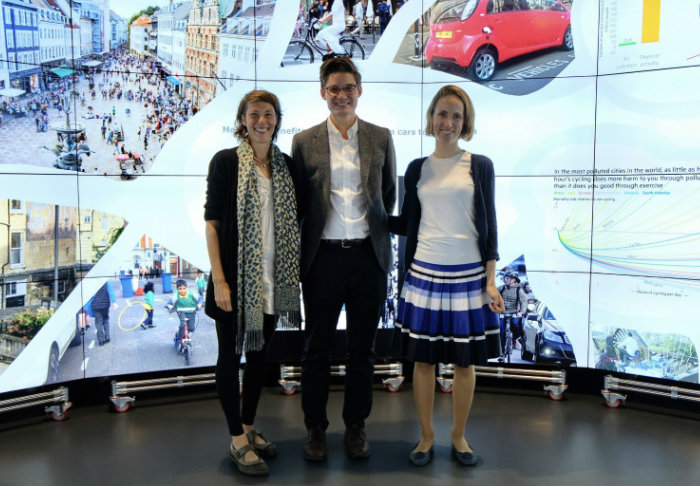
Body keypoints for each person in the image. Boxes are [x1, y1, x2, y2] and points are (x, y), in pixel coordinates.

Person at [389, 85, 504, 467]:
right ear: (432, 117)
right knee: (423, 363)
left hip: (468, 277)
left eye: (456, 115)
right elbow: (407, 223)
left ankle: (458, 436)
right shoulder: (417, 168)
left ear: (465, 121)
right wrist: (364, 211)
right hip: (423, 275)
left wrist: (490, 280)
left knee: (464, 364)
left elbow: (490, 227)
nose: (448, 122)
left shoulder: (480, 165)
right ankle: (426, 437)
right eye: (442, 113)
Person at [291, 56, 396, 461]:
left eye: (348, 87)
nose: (341, 95)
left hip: (369, 257)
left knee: (362, 351)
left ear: (359, 90)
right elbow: (301, 204)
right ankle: (315, 429)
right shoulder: (304, 142)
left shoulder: (381, 137)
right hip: (323, 259)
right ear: (323, 93)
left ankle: (356, 426)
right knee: (315, 349)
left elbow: (388, 196)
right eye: (334, 88)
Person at [204, 90, 300, 477]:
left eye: (269, 114)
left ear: (277, 119)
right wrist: (220, 280)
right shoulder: (226, 162)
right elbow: (212, 224)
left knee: (259, 359)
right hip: (234, 281)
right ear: (242, 120)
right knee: (230, 359)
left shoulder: (286, 166)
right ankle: (236, 439)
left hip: (273, 280)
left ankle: (248, 426)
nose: (262, 121)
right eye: (254, 114)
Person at [90, 281, 118, 346]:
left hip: (95, 306)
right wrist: (114, 303)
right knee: (105, 320)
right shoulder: (106, 283)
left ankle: (101, 340)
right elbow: (111, 293)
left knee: (98, 322)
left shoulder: (91, 283)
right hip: (105, 306)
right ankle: (107, 337)